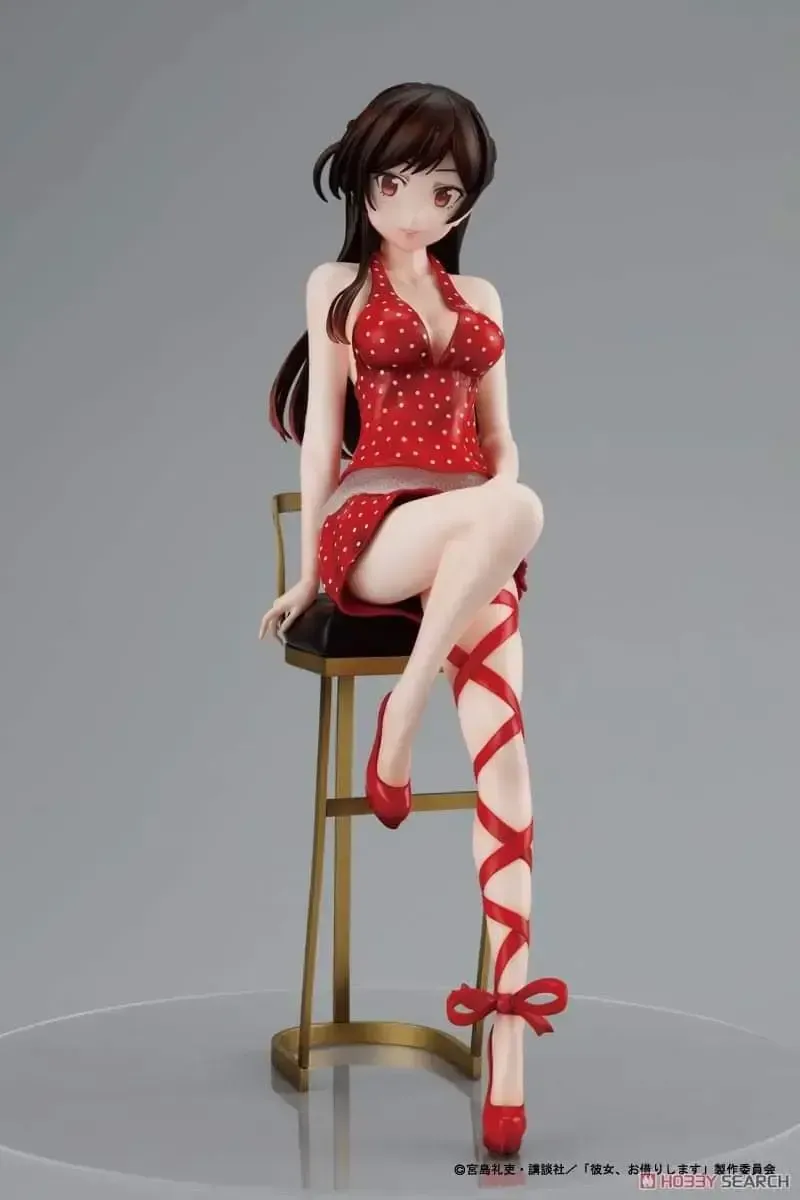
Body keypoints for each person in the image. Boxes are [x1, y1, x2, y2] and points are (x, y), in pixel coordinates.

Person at [259, 82, 567, 1156]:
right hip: (380, 524)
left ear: (464, 198)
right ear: (364, 181)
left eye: (443, 190)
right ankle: (405, 708)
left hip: (472, 536)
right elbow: (322, 435)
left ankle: (509, 1037)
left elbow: (501, 439)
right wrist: (306, 574)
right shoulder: (336, 286)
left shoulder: (480, 292)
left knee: (507, 759)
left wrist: (496, 502)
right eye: (396, 182)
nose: (417, 205)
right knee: (517, 515)